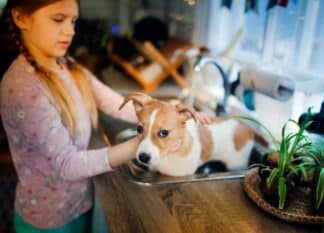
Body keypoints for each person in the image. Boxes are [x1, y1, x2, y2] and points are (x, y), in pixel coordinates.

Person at [0, 0, 214, 232]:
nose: (70, 31)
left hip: (80, 201)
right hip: (47, 218)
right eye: (58, 19)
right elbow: (66, 164)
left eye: (73, 21)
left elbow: (114, 103)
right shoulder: (22, 86)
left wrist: (169, 115)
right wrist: (145, 143)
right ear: (21, 18)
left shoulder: (67, 65)